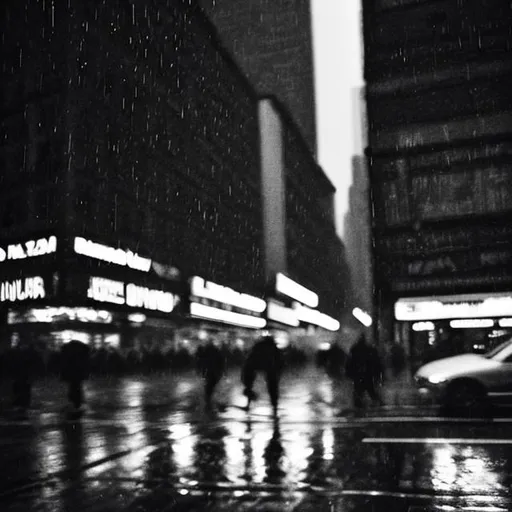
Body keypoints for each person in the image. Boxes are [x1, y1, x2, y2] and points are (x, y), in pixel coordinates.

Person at [241, 334, 283, 415]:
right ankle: (274, 406)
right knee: (273, 387)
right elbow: (280, 361)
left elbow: (250, 360)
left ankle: (248, 404)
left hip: (258, 367)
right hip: (271, 369)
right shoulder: (273, 348)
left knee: (249, 384)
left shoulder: (259, 347)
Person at [345, 332, 384, 409]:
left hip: (358, 374)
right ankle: (379, 403)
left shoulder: (355, 349)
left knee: (359, 391)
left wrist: (349, 373)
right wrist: (378, 373)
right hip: (367, 374)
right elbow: (376, 362)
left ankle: (358, 406)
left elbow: (350, 362)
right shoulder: (370, 349)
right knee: (370, 390)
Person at [60, 340, 91, 413]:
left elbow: (65, 364)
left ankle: (75, 403)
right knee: (77, 387)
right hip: (78, 374)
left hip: (72, 374)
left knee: (73, 388)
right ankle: (77, 403)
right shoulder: (82, 353)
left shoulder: (68, 353)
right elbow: (86, 364)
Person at [196, 339, 226, 409]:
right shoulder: (216, 351)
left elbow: (201, 360)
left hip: (209, 370)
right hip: (214, 371)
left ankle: (208, 398)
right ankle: (209, 398)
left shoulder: (206, 351)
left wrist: (200, 370)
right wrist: (222, 370)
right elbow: (221, 361)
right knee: (211, 384)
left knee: (209, 384)